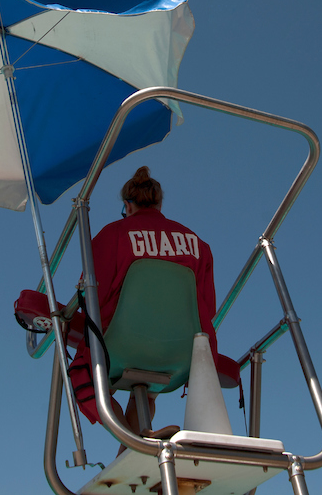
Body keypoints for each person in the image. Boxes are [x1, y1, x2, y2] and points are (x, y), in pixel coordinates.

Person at [67, 166, 218, 440]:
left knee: (85, 374)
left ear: (127, 205)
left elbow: (92, 299)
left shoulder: (111, 235)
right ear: (159, 203)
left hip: (120, 345)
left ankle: (135, 442)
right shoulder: (199, 245)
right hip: (182, 355)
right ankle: (142, 439)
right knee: (146, 387)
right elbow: (208, 308)